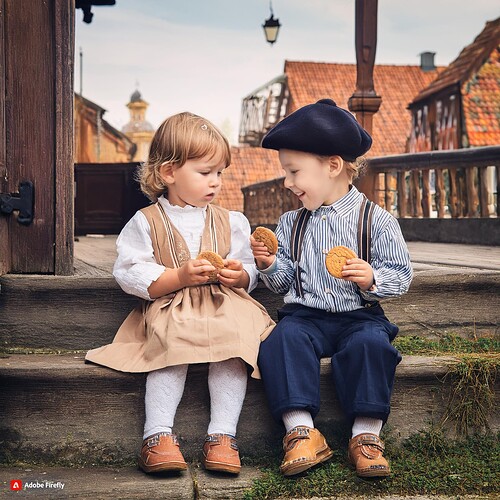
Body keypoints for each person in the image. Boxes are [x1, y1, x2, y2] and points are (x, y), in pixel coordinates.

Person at [86, 112, 275, 475]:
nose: (216, 182)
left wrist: (241, 275)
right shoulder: (146, 221)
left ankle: (222, 434)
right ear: (169, 172)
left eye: (219, 173)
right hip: (172, 302)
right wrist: (177, 276)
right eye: (205, 173)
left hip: (224, 302)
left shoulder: (231, 220)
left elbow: (247, 266)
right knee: (170, 344)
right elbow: (130, 271)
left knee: (235, 343)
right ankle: (157, 435)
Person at [250, 99, 413, 478]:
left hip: (360, 316)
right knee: (281, 341)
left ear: (334, 166)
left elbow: (401, 275)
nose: (288, 183)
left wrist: (372, 279)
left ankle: (366, 436)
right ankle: (301, 431)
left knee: (372, 347)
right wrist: (270, 264)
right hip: (305, 315)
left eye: (294, 172)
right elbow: (284, 282)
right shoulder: (291, 222)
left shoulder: (376, 221)